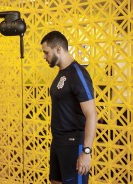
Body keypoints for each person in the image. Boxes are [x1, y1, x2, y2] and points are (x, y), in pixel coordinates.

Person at [40, 31, 97, 184]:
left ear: (58, 49)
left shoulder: (78, 74)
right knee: (55, 181)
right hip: (58, 142)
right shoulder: (61, 73)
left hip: (73, 144)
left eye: (46, 52)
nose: (44, 57)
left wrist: (86, 152)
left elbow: (91, 114)